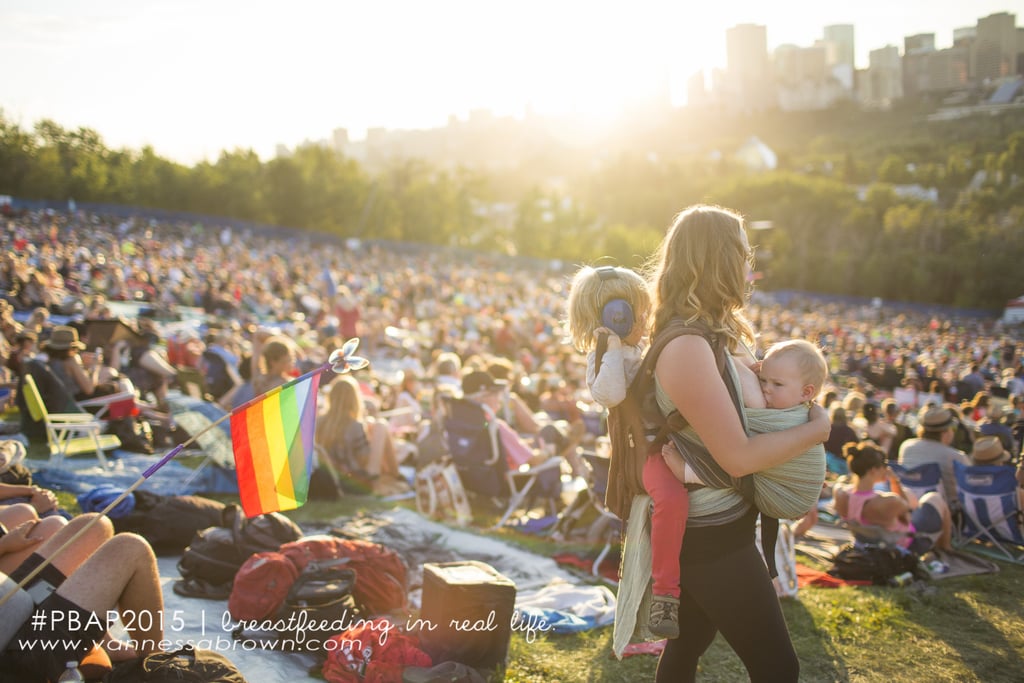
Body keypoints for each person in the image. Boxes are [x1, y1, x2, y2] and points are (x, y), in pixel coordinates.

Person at [645, 204, 830, 682]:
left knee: (687, 647)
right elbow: (737, 457)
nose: (750, 267)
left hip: (724, 522)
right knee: (778, 668)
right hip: (710, 534)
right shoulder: (687, 346)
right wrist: (816, 430)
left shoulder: (723, 332)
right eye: (744, 255)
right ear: (720, 259)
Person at [566, 263, 681, 634]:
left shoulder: (647, 345)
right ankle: (665, 594)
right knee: (671, 499)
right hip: (646, 450)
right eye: (636, 312)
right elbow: (612, 394)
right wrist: (613, 344)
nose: (645, 319)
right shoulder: (604, 356)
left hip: (676, 439)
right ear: (614, 315)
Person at [0, 516, 164, 681]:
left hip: (14, 599)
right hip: (15, 655)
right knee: (131, 548)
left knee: (95, 525)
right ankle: (158, 670)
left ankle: (103, 644)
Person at [832, 440, 952, 553]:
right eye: (884, 465)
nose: (887, 468)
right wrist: (895, 481)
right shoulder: (888, 501)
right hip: (906, 544)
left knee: (910, 494)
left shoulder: (841, 494)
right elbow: (907, 513)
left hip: (867, 542)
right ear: (873, 470)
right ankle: (946, 549)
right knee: (935, 498)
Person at [898, 404, 970, 508]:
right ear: (945, 432)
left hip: (909, 507)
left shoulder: (906, 446)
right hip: (944, 510)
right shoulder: (956, 457)